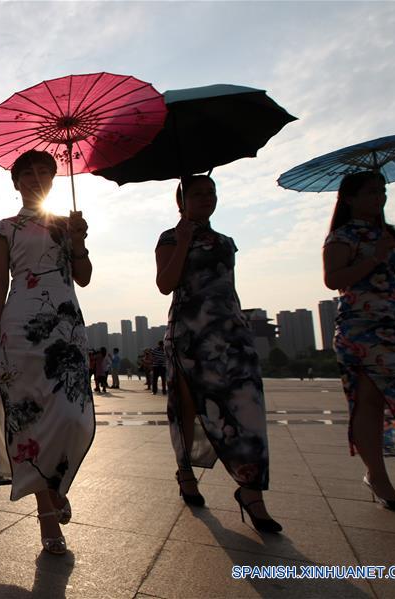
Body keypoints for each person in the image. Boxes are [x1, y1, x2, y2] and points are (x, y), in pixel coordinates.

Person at [0, 150, 95, 555]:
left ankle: (57, 486)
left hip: (65, 326)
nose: (35, 177)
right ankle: (47, 514)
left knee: (71, 417)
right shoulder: (4, 228)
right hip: (20, 327)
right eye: (27, 173)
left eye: (44, 171)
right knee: (29, 421)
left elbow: (83, 277)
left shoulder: (67, 225)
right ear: (16, 182)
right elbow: (0, 282)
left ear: (53, 178)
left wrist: (79, 242)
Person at [155, 174, 280, 533]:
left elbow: (227, 288)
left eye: (211, 192)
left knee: (248, 408)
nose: (206, 198)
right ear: (181, 201)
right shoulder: (169, 238)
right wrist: (183, 242)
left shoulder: (226, 242)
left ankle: (251, 491)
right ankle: (185, 471)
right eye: (197, 193)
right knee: (187, 408)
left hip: (231, 333)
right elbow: (166, 283)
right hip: (190, 334)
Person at [323, 171, 395, 513]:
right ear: (349, 198)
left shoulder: (385, 233)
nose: (379, 197)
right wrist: (373, 256)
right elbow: (333, 280)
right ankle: (377, 475)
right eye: (371, 191)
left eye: (382, 190)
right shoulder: (341, 237)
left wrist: (383, 247)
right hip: (361, 327)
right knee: (368, 401)